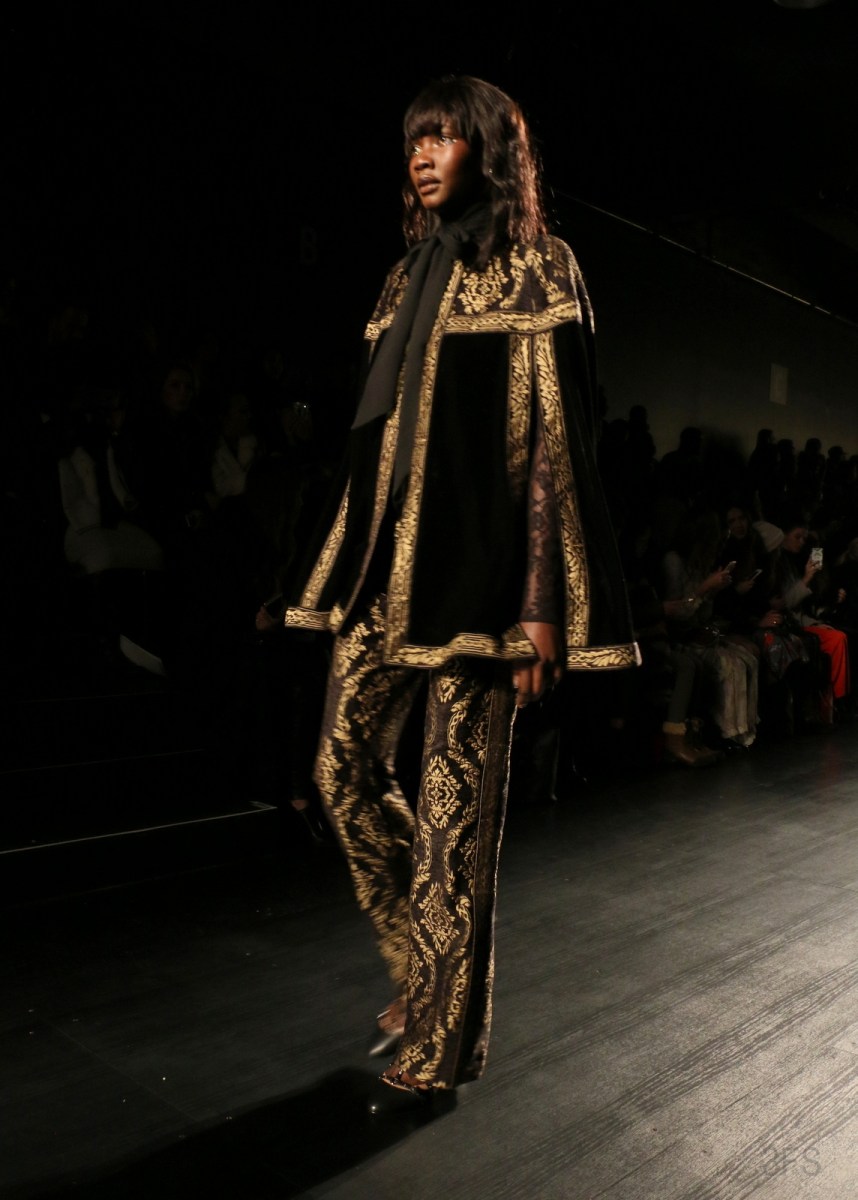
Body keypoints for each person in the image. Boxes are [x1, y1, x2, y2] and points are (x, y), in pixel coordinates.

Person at [284, 76, 638, 1112]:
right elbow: (371, 444)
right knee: (340, 768)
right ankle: (419, 963)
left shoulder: (540, 266)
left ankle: (441, 1041)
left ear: (489, 148)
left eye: (443, 135)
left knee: (454, 824)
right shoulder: (406, 276)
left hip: (480, 589)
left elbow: (556, 447)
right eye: (414, 138)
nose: (423, 153)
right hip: (382, 573)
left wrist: (541, 606)